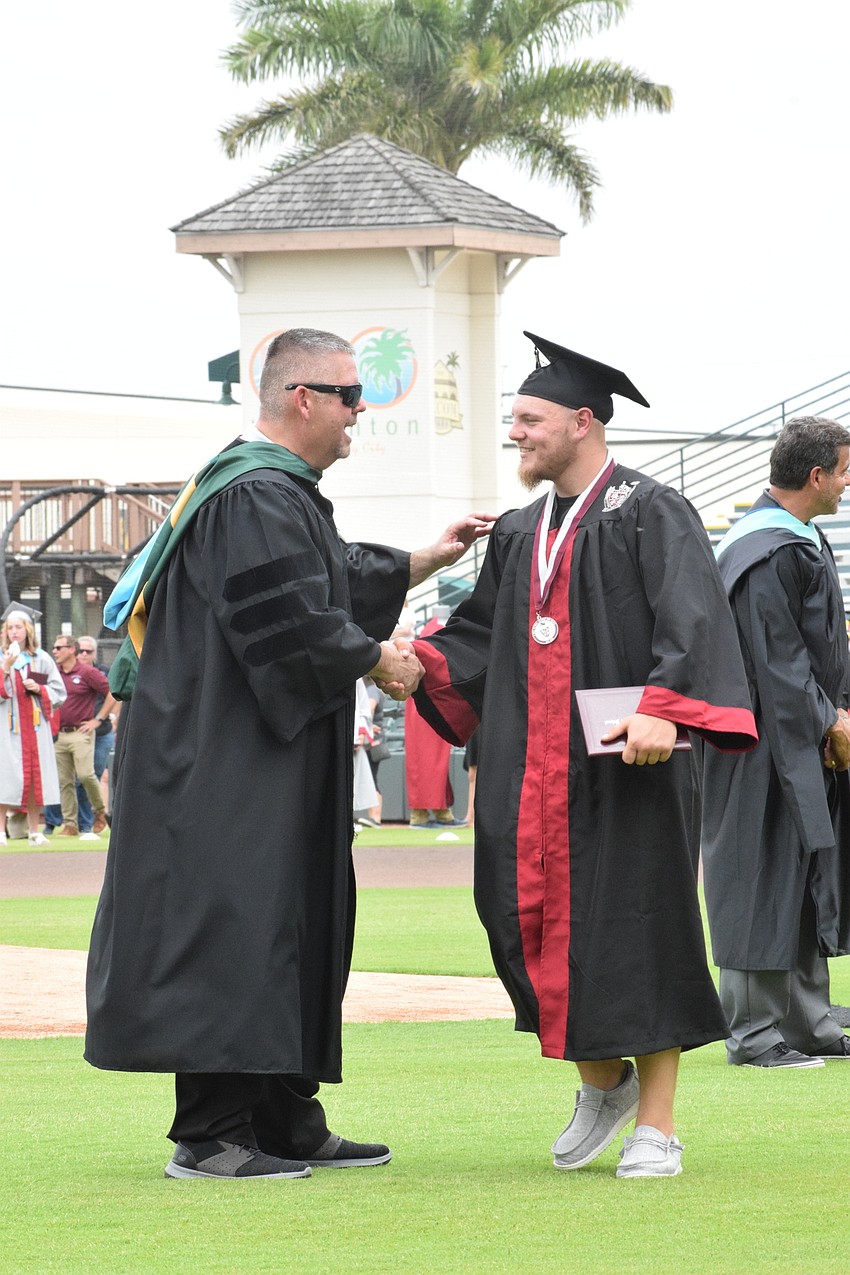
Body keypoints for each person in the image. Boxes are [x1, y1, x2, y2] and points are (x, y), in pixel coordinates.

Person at [85, 326, 494, 1182]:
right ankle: (210, 1132)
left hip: (260, 753)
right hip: (220, 758)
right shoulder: (254, 493)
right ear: (300, 397)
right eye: (350, 395)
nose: (361, 412)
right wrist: (382, 657)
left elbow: (322, 581)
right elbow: (296, 620)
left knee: (288, 919)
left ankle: (281, 1115)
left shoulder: (272, 492)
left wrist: (424, 560)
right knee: (232, 925)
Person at [407, 332, 758, 1178]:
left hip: (628, 766)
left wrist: (664, 708)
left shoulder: (648, 507)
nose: (515, 432)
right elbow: (483, 637)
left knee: (641, 925)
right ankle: (603, 1081)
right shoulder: (522, 530)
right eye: (513, 419)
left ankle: (659, 1124)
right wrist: (409, 662)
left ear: (582, 420)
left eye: (528, 418)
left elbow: (693, 615)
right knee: (517, 918)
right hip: (531, 771)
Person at [702, 416, 850, 1068]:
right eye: (844, 469)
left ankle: (810, 1022)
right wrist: (831, 721)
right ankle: (757, 1032)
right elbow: (779, 662)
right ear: (816, 475)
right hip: (757, 744)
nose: (848, 482)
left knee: (802, 870)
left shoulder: (798, 538)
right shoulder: (766, 551)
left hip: (794, 736)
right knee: (758, 873)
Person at [0, 603, 66, 845]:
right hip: (7, 729)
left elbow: (59, 692)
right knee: (5, 776)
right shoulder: (1, 657)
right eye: (10, 628)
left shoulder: (41, 659)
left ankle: (34, 831)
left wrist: (40, 689)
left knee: (35, 777)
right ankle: (1, 832)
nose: (14, 632)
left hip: (36, 728)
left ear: (28, 630)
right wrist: (5, 668)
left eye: (19, 627)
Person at [404, 613, 463, 828]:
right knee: (429, 760)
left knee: (436, 761)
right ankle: (420, 814)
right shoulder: (432, 632)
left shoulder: (430, 631)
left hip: (429, 699)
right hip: (426, 700)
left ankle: (441, 811)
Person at [51, 636, 112, 837]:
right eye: (54, 647)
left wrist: (99, 719)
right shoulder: (54, 673)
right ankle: (70, 825)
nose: (55, 651)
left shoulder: (87, 672)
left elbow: (112, 692)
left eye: (59, 647)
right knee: (65, 781)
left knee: (86, 775)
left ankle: (100, 812)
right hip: (59, 734)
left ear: (71, 649)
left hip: (81, 732)